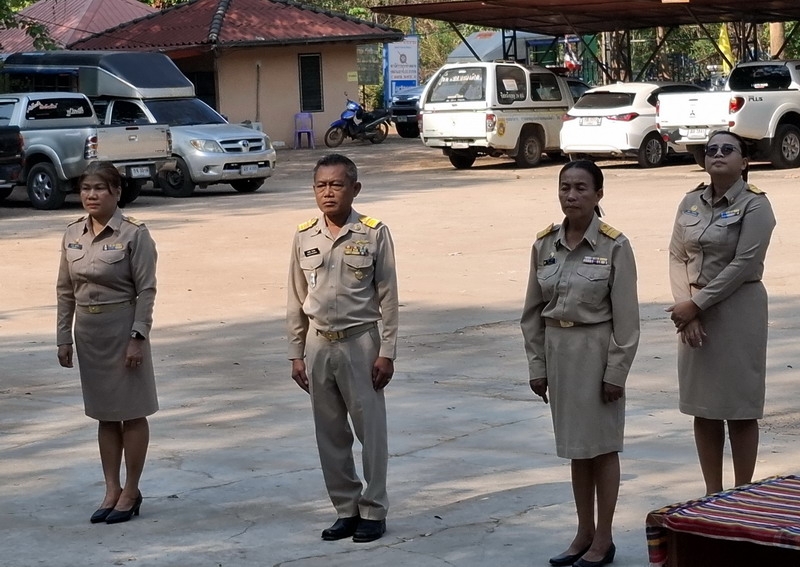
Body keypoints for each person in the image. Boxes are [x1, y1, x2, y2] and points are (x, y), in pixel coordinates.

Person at [521, 160, 640, 567]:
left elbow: (627, 320)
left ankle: (603, 538)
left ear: (598, 194)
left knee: (602, 448)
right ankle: (583, 532)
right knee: (577, 450)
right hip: (559, 352)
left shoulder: (614, 245)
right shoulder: (544, 244)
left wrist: (616, 372)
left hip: (596, 352)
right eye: (565, 188)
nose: (571, 196)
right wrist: (537, 366)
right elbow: (532, 314)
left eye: (581, 188)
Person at [287, 153, 398, 543]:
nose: (328, 192)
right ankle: (346, 508)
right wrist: (296, 353)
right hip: (319, 344)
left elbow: (389, 297)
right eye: (321, 185)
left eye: (336, 184)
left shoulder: (373, 233)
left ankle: (374, 509)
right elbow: (295, 297)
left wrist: (387, 351)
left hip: (360, 342)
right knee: (330, 433)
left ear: (355, 188)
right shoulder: (304, 235)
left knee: (371, 432)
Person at [667, 131, 776, 495]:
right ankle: (712, 494)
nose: (717, 154)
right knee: (704, 408)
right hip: (693, 314)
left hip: (737, 311)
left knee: (740, 408)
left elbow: (744, 264)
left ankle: (742, 493)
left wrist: (696, 304)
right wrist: (686, 307)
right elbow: (677, 256)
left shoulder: (756, 205)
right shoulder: (689, 202)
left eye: (727, 149)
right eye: (711, 149)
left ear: (744, 162)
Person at [56, 161, 158, 525]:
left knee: (132, 412)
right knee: (105, 414)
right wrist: (63, 337)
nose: (92, 195)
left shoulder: (134, 234)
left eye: (100, 188)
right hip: (89, 335)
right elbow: (65, 290)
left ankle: (131, 490)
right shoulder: (72, 233)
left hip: (123, 330)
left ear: (116, 191)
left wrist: (137, 337)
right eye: (86, 188)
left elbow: (146, 290)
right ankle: (111, 489)